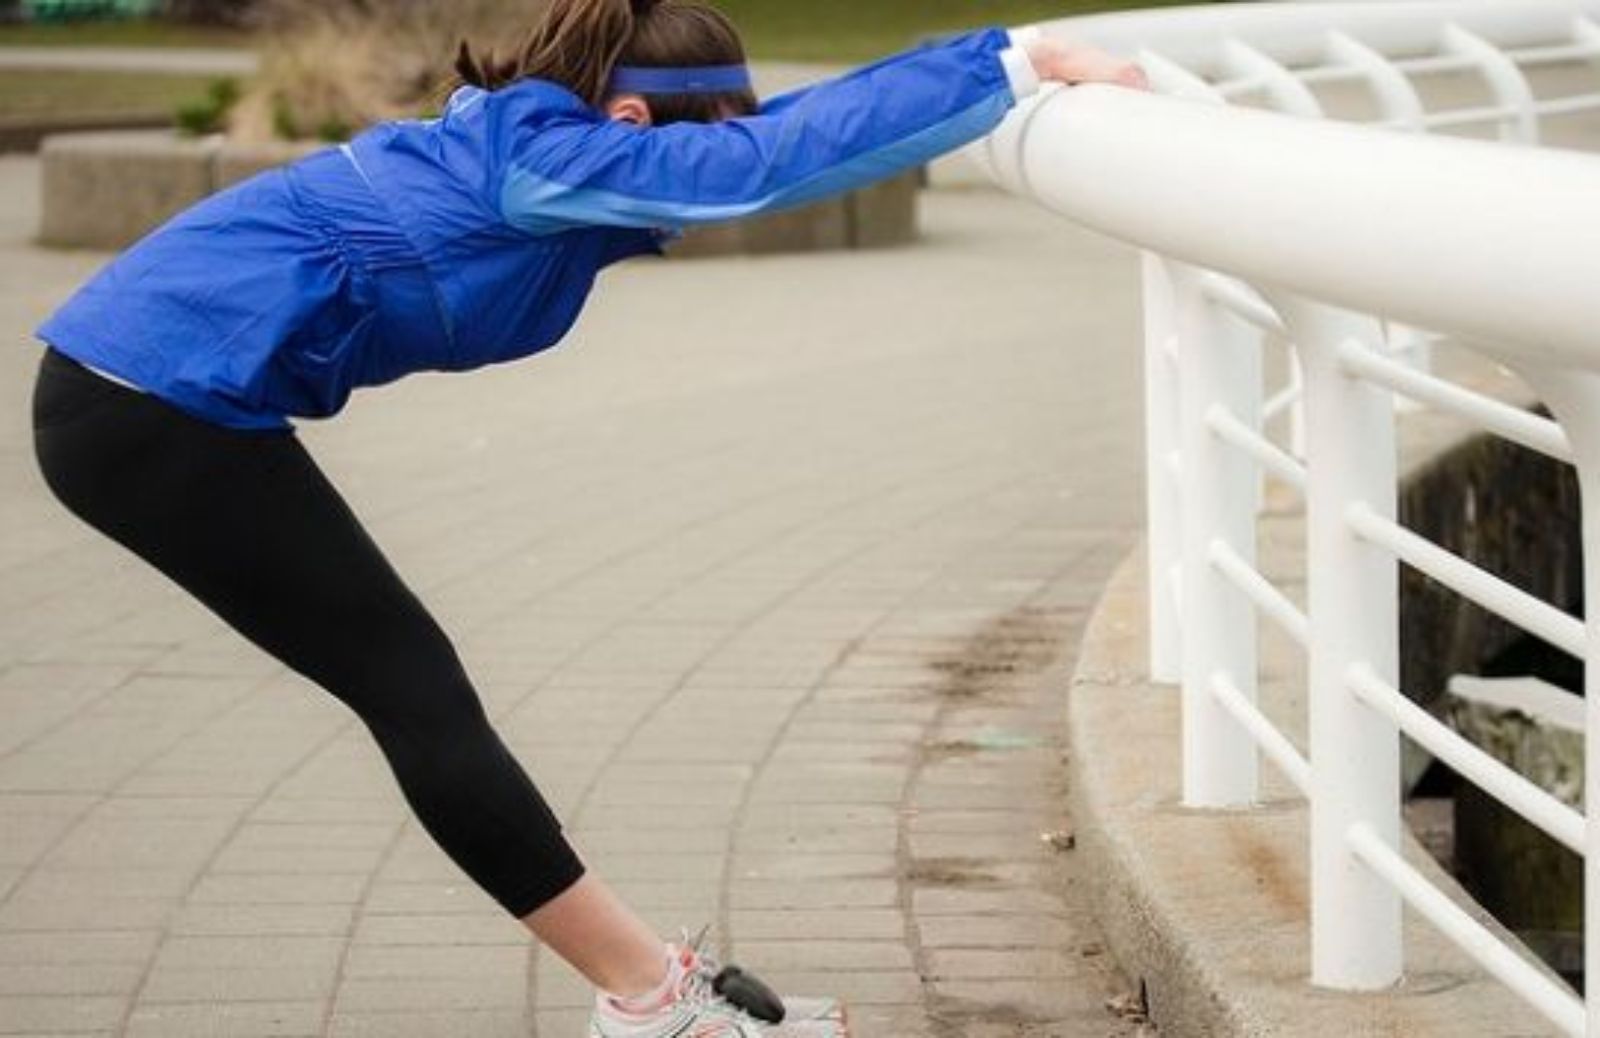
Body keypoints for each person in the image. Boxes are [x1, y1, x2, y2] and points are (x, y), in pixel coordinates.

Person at [29, 1, 1145, 1034]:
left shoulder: (537, 142)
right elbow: (760, 165)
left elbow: (787, 132)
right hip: (145, 413)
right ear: (628, 117)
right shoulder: (543, 163)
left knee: (415, 686)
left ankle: (643, 986)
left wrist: (991, 67)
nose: (688, 191)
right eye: (683, 145)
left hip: (156, 395)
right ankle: (647, 998)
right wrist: (1020, 63)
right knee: (413, 691)